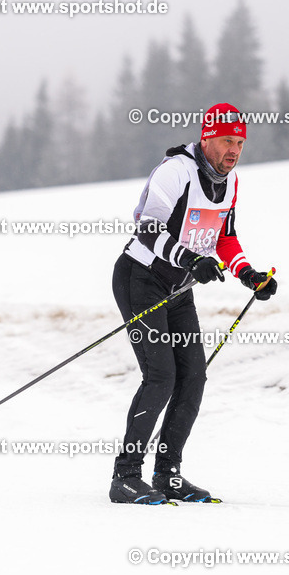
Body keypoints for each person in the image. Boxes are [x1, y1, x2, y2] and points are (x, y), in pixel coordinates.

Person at [109, 102, 277, 504]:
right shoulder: (176, 172)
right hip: (141, 278)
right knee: (161, 376)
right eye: (225, 141)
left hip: (180, 288)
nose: (233, 150)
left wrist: (248, 274)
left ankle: (167, 474)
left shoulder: (230, 181)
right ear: (206, 137)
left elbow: (224, 237)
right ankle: (126, 477)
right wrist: (189, 259)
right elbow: (148, 228)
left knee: (194, 377)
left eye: (240, 142)